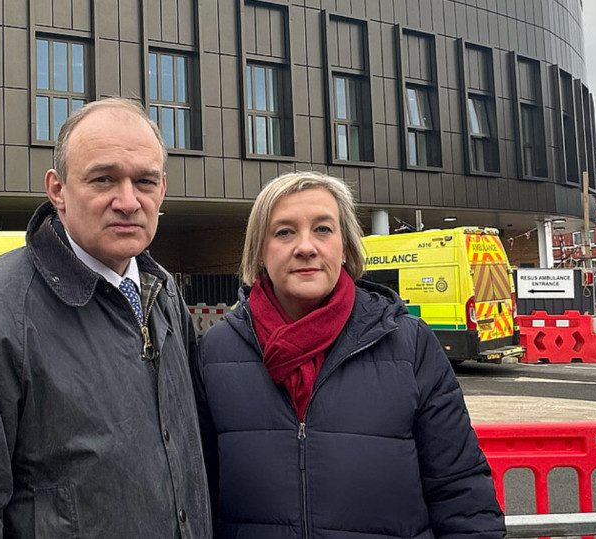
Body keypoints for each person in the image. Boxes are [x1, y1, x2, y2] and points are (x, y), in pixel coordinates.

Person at [0, 97, 211, 538]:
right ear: (57, 190)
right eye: (103, 179)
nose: (128, 201)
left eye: (144, 181)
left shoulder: (164, 295)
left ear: (162, 189)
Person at [190, 171, 505, 538]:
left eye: (323, 229)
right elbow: (196, 496)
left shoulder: (410, 344)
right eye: (284, 232)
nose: (306, 247)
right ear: (260, 251)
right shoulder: (215, 351)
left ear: (345, 247)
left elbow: (461, 491)